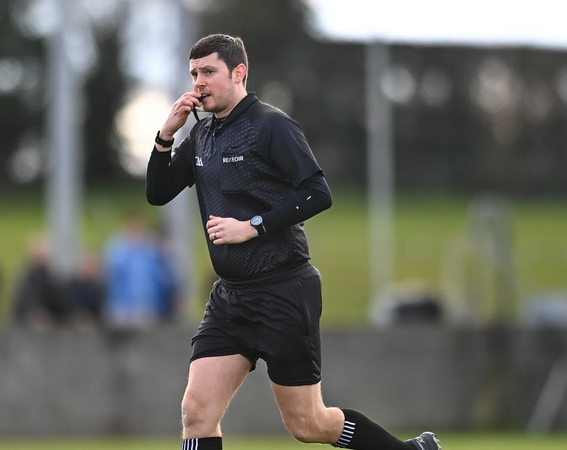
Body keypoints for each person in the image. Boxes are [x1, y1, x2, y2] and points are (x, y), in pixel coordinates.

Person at [146, 34, 440, 450]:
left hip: (283, 292)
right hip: (231, 299)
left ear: (239, 73)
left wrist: (254, 225)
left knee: (307, 423)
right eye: (194, 74)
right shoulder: (201, 137)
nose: (199, 83)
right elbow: (158, 193)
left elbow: (318, 193)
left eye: (209, 72)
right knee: (196, 412)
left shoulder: (271, 125)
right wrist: (166, 135)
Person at [103, 210, 179, 330]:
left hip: (146, 306)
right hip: (122, 306)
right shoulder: (117, 248)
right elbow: (112, 276)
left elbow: (159, 277)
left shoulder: (150, 250)